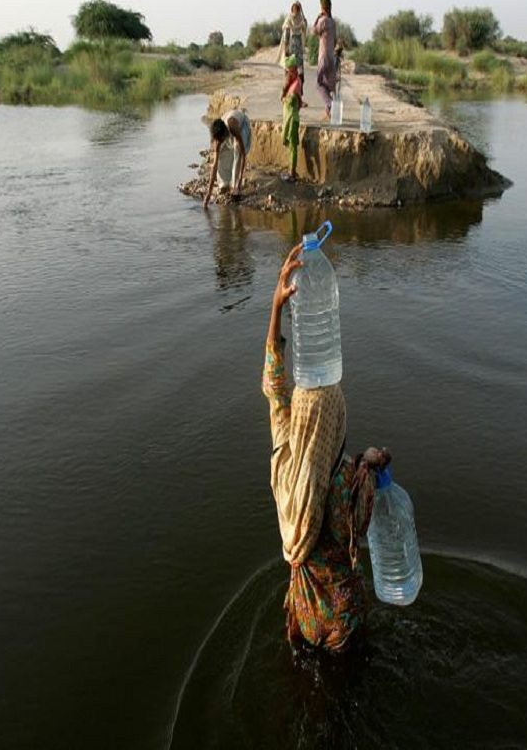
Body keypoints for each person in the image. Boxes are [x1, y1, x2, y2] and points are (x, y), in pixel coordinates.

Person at [262, 244, 391, 652]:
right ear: (336, 425)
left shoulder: (285, 455)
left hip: (303, 614)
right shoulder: (343, 485)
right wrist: (372, 462)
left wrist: (276, 305)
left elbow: (274, 385)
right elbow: (361, 519)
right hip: (342, 622)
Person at [203, 108, 251, 207]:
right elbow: (214, 165)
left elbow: (242, 156)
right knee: (221, 154)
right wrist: (208, 193)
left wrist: (239, 181)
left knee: (237, 148)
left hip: (242, 125)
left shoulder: (233, 128)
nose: (219, 142)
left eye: (221, 140)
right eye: (219, 141)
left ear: (225, 134)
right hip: (228, 125)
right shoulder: (217, 137)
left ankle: (234, 185)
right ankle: (224, 183)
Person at [280, 55, 307, 182]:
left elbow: (294, 101)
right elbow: (298, 101)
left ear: (293, 70)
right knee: (291, 148)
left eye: (289, 71)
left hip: (293, 121)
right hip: (288, 120)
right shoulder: (290, 83)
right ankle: (291, 171)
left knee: (293, 147)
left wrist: (295, 103)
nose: (288, 73)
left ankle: (292, 174)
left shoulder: (296, 83)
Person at [312, 0, 337, 121]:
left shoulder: (323, 21)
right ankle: (328, 112)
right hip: (331, 58)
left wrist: (317, 17)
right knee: (327, 85)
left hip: (324, 57)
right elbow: (335, 40)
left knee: (318, 84)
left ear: (323, 8)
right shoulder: (333, 22)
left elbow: (313, 31)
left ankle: (330, 104)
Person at [278, 1, 307, 93]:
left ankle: (298, 92)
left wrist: (302, 11)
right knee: (290, 71)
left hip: (296, 47)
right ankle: (287, 93)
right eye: (295, 9)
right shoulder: (292, 19)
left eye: (297, 9)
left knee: (298, 71)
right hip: (292, 46)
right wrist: (286, 49)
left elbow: (304, 26)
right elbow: (287, 33)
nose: (295, 11)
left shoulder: (299, 19)